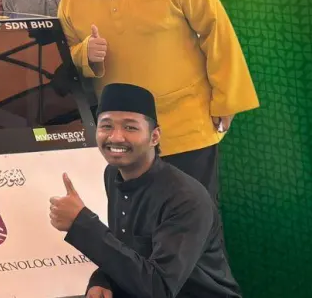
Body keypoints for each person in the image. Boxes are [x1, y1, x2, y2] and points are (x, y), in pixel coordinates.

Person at [57, 0, 259, 200]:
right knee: (136, 225)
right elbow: (66, 59)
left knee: (195, 220)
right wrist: (85, 53)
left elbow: (217, 32)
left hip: (186, 125)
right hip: (122, 137)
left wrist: (226, 99)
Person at [49, 83, 241, 298]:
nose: (116, 137)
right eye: (106, 126)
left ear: (155, 136)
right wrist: (103, 280)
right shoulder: (113, 174)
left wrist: (81, 223)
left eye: (130, 127)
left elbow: (159, 289)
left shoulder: (185, 198)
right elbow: (129, 249)